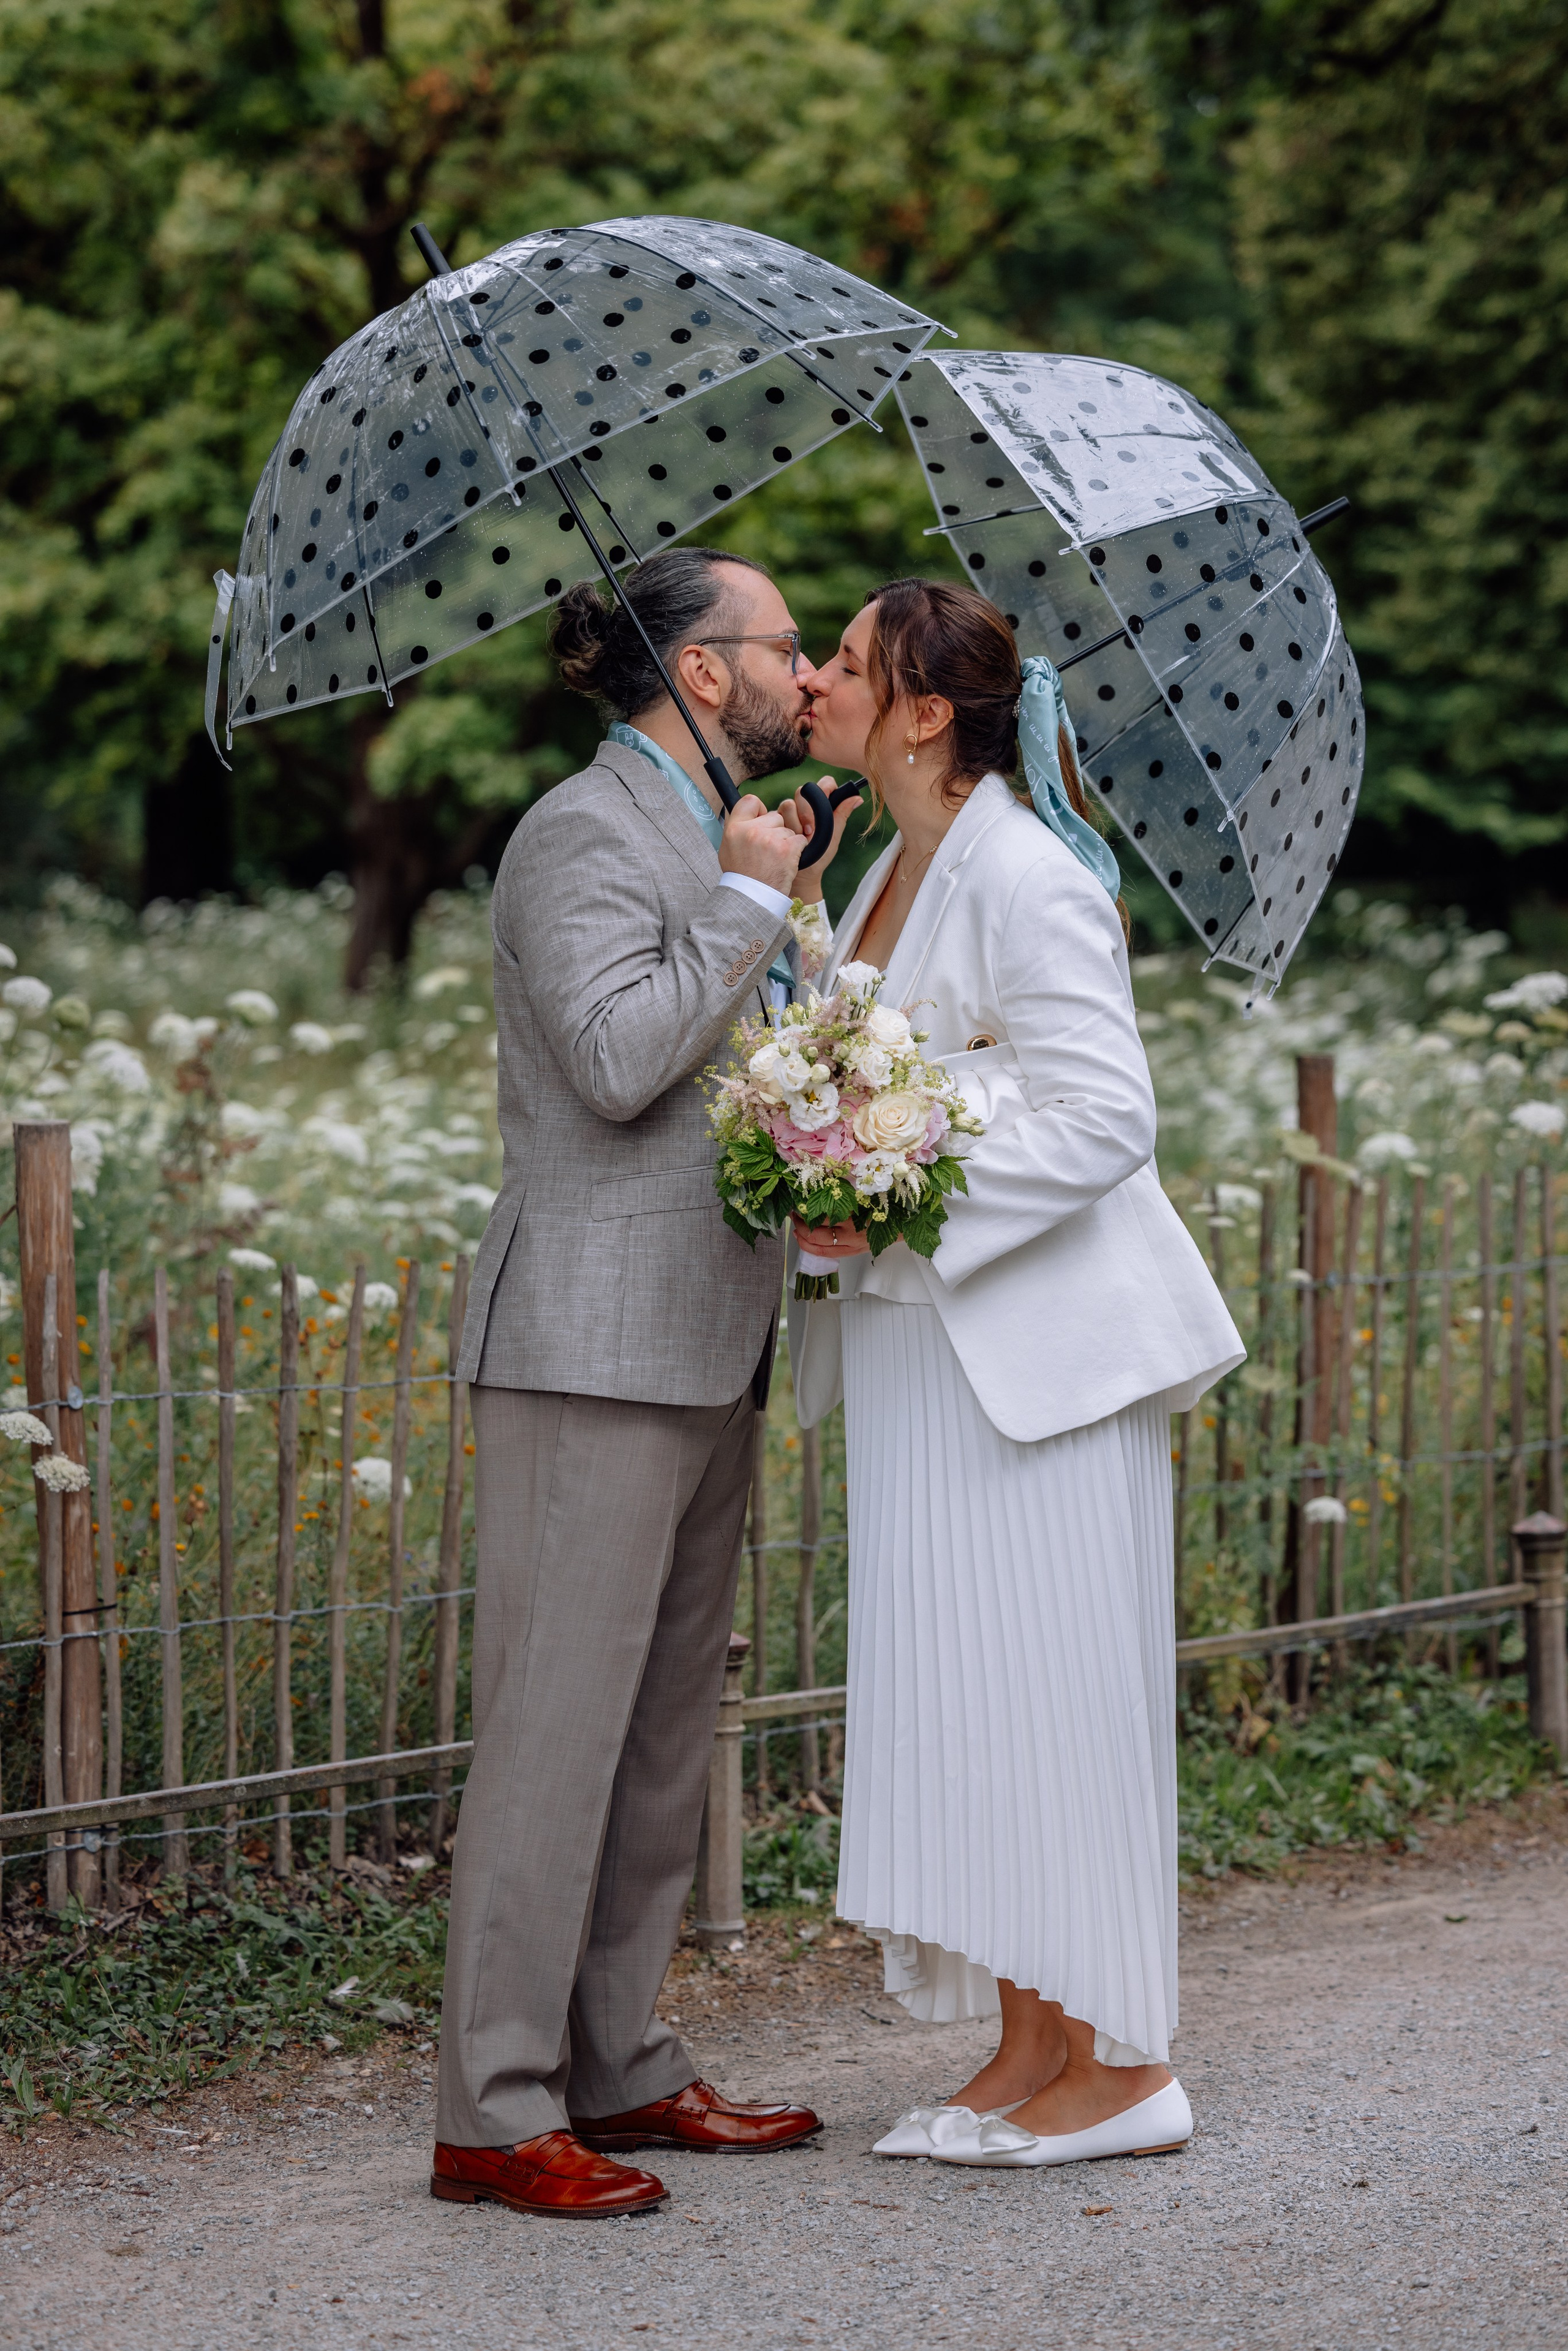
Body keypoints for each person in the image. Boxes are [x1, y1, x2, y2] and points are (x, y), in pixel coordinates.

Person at [788, 578, 1244, 2170]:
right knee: (980, 1713)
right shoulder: (883, 881)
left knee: (1053, 1711)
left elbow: (1107, 1116)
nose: (815, 682)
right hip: (924, 1372)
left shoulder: (1029, 875)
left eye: (842, 664)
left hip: (1037, 1376)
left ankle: (1121, 2076)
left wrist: (910, 1174)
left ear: (925, 710)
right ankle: (1024, 2049)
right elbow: (865, 1099)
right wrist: (832, 1195)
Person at [432, 546, 854, 2220]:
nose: (804, 667)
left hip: (712, 1336)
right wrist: (749, 909)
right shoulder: (575, 834)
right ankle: (494, 2106)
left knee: (663, 1734)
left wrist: (785, 921)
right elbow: (615, 1064)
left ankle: (617, 2061)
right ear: (701, 673)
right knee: (555, 1731)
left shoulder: (723, 836)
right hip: (589, 1348)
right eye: (782, 644)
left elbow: (742, 1067)